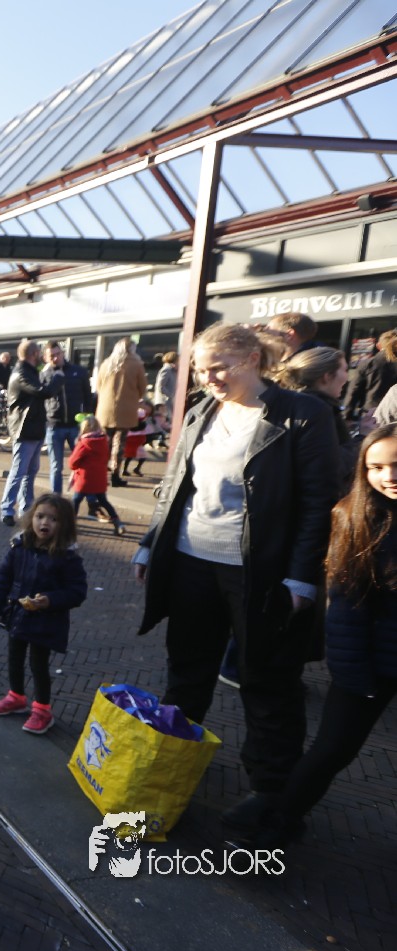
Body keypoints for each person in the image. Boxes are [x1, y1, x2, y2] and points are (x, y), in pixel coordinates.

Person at [134, 322, 340, 834]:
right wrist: (150, 542)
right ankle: (172, 765)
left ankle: (271, 794)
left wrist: (301, 577)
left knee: (266, 680)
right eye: (201, 370)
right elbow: (176, 482)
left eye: (219, 367)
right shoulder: (203, 410)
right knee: (187, 669)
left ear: (251, 358)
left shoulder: (303, 414)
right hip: (190, 562)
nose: (208, 379)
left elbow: (318, 503)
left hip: (260, 572)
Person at [244, 426, 397, 850]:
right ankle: (280, 820)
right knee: (333, 749)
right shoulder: (355, 517)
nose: (387, 476)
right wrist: (355, 677)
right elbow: (346, 610)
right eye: (376, 467)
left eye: (396, 465)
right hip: (370, 665)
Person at [0, 493, 87, 735]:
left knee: (38, 664)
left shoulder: (67, 557)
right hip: (18, 615)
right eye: (40, 516)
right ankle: (16, 696)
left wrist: (50, 600)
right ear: (31, 518)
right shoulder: (19, 548)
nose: (45, 522)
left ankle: (42, 709)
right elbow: (3, 579)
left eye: (53, 519)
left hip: (47, 620)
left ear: (64, 525)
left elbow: (77, 592)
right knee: (14, 657)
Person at [0, 339, 63, 526]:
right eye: (39, 353)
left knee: (30, 471)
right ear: (34, 354)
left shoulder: (29, 372)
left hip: (33, 428)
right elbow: (42, 392)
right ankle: (7, 509)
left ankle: (26, 508)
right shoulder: (22, 374)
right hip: (24, 429)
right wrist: (58, 378)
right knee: (19, 471)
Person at [277, 346, 359, 491]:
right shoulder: (318, 411)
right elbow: (331, 465)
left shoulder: (285, 404)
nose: (347, 377)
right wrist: (362, 437)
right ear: (327, 376)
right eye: (345, 370)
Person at [94, 338, 148, 488]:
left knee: (105, 442)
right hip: (126, 408)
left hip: (105, 408)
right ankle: (115, 475)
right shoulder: (136, 364)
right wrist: (134, 397)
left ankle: (100, 473)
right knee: (120, 443)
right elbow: (142, 387)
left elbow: (98, 386)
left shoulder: (106, 363)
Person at [43, 343, 91, 495]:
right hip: (54, 425)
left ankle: (86, 497)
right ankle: (56, 498)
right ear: (45, 357)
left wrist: (89, 418)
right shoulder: (44, 374)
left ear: (63, 353)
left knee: (83, 462)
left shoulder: (78, 371)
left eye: (58, 354)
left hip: (75, 425)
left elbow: (88, 396)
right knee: (56, 466)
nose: (55, 358)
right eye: (51, 356)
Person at [67, 416, 126, 535]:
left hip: (84, 478)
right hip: (99, 478)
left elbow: (72, 462)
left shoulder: (84, 443)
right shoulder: (104, 441)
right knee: (104, 501)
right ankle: (117, 522)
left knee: (76, 501)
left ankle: (70, 525)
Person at [347, 331, 397, 423]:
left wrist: (347, 415)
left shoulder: (368, 363)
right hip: (393, 412)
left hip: (370, 413)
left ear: (378, 345)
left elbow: (354, 390)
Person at [154, 351, 179, 419]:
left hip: (169, 402)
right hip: (165, 402)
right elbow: (160, 386)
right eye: (178, 360)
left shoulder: (173, 370)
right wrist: (170, 395)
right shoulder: (167, 370)